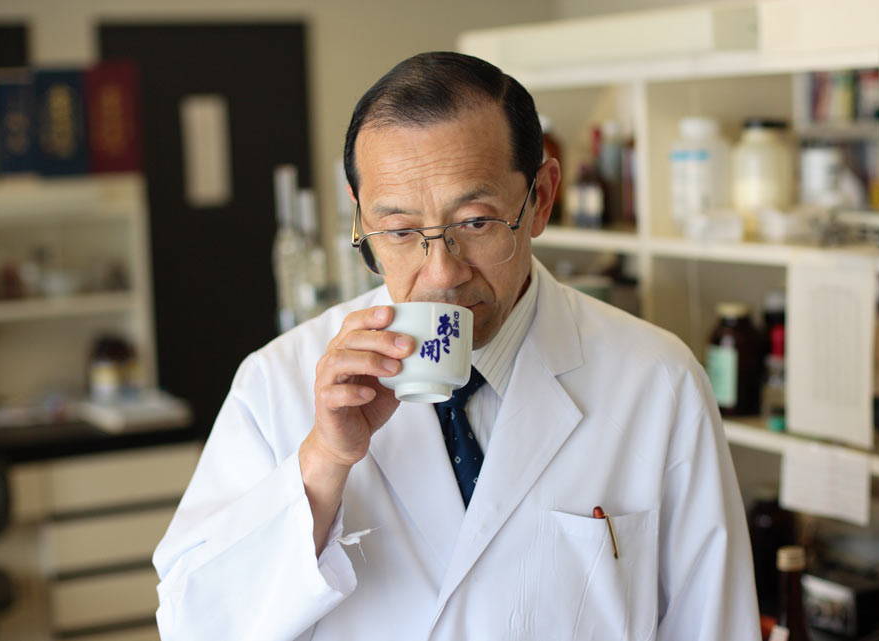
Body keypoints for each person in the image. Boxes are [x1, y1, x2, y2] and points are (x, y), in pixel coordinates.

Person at [153, 51, 760, 641]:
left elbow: (715, 622)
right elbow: (193, 625)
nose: (441, 273)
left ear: (540, 198)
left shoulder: (656, 380)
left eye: (475, 222)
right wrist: (322, 465)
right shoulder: (277, 381)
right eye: (397, 231)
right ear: (359, 218)